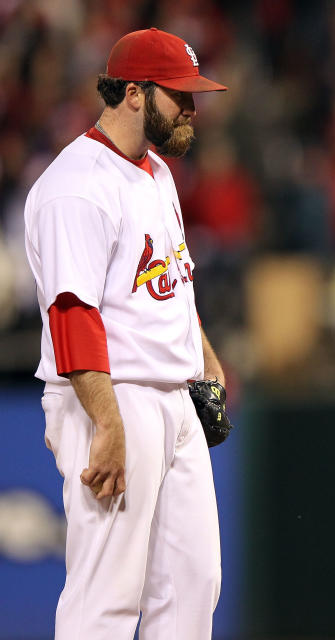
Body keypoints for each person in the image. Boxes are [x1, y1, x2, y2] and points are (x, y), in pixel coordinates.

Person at [23, 28, 230, 640]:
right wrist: (106, 424)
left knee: (193, 587)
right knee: (107, 596)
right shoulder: (76, 185)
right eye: (180, 95)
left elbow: (172, 283)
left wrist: (206, 362)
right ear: (134, 93)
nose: (192, 108)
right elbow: (71, 314)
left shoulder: (156, 172)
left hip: (170, 397)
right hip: (110, 397)